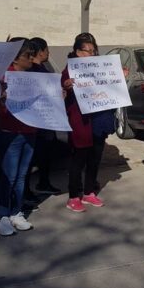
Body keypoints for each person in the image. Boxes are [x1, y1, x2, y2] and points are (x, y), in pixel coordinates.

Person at [0, 39, 37, 235]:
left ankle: (16, 212)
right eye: (29, 56)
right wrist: (1, 100)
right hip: (10, 133)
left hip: (30, 132)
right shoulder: (3, 78)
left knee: (21, 176)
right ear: (16, 58)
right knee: (8, 176)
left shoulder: (33, 77)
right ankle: (2, 216)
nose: (32, 60)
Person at [62, 34, 108, 211]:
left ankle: (89, 193)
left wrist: (120, 76)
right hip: (80, 122)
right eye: (86, 51)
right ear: (77, 52)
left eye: (93, 50)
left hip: (98, 121)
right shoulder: (70, 69)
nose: (90, 54)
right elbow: (62, 84)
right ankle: (73, 196)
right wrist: (66, 85)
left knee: (95, 159)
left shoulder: (100, 67)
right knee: (78, 160)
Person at [25, 37, 60, 199]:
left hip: (47, 119)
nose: (48, 53)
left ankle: (43, 183)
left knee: (46, 154)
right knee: (31, 158)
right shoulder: (31, 71)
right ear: (40, 52)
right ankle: (26, 192)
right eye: (46, 50)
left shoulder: (42, 68)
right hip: (36, 122)